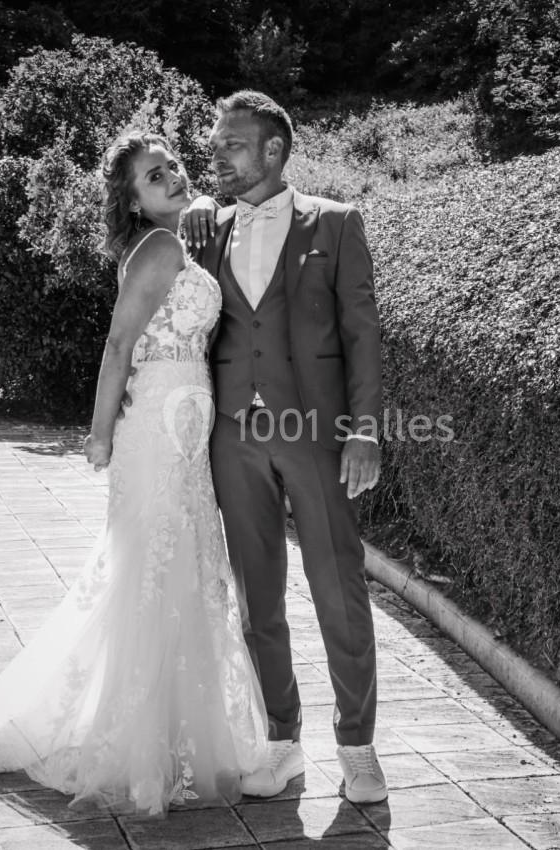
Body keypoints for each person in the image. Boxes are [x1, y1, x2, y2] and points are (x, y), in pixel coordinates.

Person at [0, 132, 268, 817]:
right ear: (134, 198)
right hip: (155, 438)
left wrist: (201, 199)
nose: (172, 176)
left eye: (172, 165)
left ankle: (175, 740)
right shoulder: (163, 248)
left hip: (182, 436)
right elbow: (118, 343)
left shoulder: (169, 240)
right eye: (154, 175)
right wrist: (101, 433)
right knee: (152, 574)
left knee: (179, 572)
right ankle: (139, 748)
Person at [183, 90, 387, 804]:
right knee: (257, 597)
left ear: (273, 150)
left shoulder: (335, 224)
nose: (218, 158)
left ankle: (357, 746)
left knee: (338, 586)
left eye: (231, 146)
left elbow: (362, 335)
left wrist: (365, 429)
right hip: (234, 435)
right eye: (216, 146)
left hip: (316, 435)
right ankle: (281, 741)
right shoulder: (206, 228)